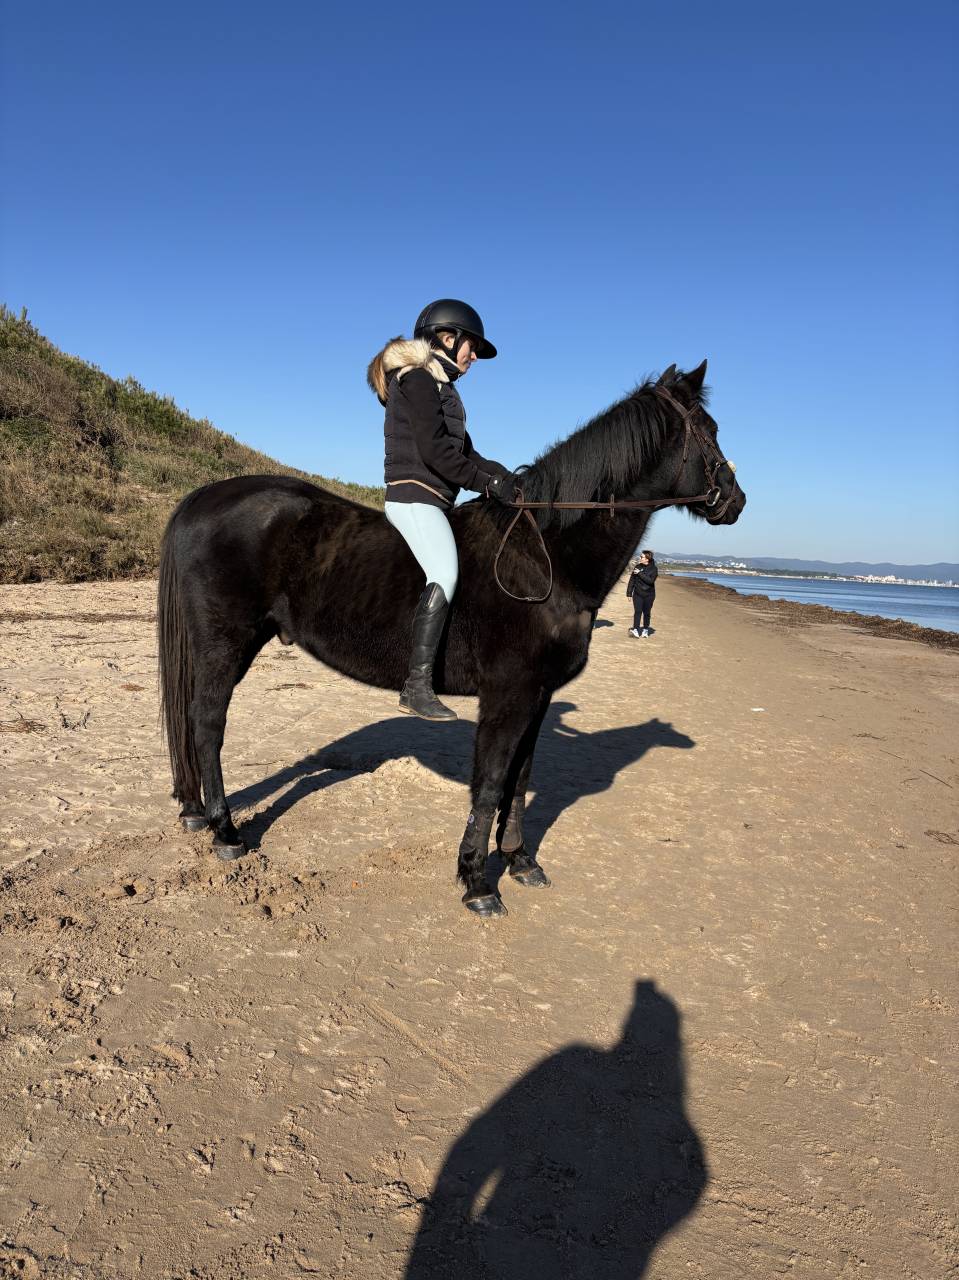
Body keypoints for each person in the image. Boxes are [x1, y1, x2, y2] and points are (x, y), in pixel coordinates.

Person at [367, 299, 520, 722]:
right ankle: (415, 687)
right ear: (447, 338)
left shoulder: (442, 388)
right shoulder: (417, 378)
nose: (474, 356)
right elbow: (436, 453)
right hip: (413, 497)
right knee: (445, 573)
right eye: (471, 346)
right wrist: (485, 484)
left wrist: (509, 477)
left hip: (434, 498)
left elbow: (466, 452)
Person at [626, 549, 658, 637]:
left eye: (642, 557)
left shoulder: (654, 569)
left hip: (649, 595)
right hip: (637, 594)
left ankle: (645, 630)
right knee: (638, 611)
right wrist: (629, 593)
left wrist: (640, 573)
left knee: (647, 613)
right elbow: (631, 581)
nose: (640, 558)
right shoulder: (637, 567)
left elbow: (650, 581)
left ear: (647, 558)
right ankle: (635, 630)